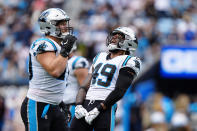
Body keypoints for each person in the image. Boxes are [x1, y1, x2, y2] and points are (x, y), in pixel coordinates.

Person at [70, 26, 141, 131]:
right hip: (86, 104)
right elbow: (84, 86)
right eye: (114, 36)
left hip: (105, 106)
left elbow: (120, 90)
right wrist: (79, 105)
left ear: (129, 42)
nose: (113, 38)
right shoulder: (99, 56)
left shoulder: (129, 60)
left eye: (119, 37)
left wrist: (99, 109)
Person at [20, 8, 77, 131]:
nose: (65, 26)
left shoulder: (58, 46)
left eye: (65, 23)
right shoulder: (43, 44)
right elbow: (54, 71)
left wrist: (59, 101)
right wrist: (66, 50)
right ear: (48, 26)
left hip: (54, 105)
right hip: (39, 104)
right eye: (60, 23)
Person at [61, 46, 89, 127]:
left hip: (72, 107)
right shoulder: (59, 62)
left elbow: (85, 88)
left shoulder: (77, 62)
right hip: (60, 106)